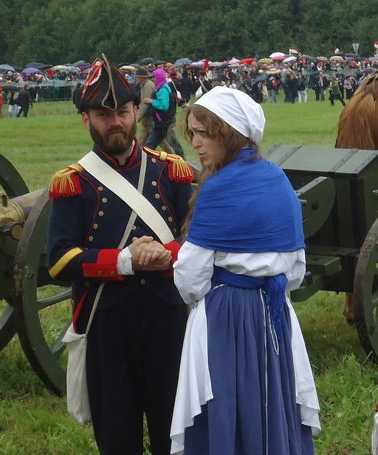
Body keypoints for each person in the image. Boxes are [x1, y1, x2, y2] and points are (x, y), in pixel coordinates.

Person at [45, 56, 195, 455]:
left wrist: (167, 255)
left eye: (123, 112)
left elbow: (198, 240)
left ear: (134, 112)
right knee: (117, 435)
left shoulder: (171, 171)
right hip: (106, 321)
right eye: (103, 113)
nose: (116, 122)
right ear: (86, 120)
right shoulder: (72, 182)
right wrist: (123, 261)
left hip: (166, 318)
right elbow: (58, 260)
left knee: (173, 432)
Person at [171, 86, 320, 454]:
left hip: (226, 319)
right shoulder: (278, 180)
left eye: (204, 133)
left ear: (228, 134)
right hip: (276, 316)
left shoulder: (218, 189)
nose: (196, 143)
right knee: (273, 402)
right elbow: (296, 271)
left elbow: (189, 280)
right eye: (191, 133)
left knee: (227, 406)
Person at [144, 68, 184, 157]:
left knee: (174, 144)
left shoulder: (163, 90)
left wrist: (151, 101)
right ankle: (144, 161)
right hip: (160, 123)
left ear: (159, 78)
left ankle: (184, 163)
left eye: (154, 77)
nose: (153, 79)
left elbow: (164, 106)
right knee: (149, 146)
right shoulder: (162, 88)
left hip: (165, 123)